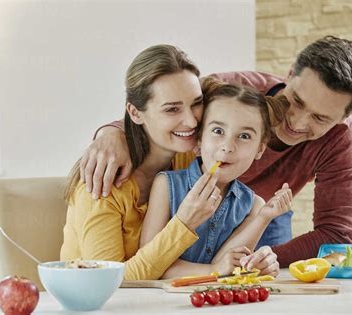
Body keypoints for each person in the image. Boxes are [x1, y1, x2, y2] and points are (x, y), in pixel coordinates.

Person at [79, 36, 352, 268]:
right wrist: (113, 131)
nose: (296, 122)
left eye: (320, 118)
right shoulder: (234, 90)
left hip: (260, 213)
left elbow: (337, 233)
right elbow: (170, 109)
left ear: (341, 119)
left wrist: (261, 258)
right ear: (289, 75)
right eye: (296, 100)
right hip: (197, 207)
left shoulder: (342, 138)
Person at [60, 44, 279, 280]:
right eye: (172, 109)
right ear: (135, 113)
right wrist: (185, 224)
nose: (191, 121)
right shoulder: (101, 185)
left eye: (196, 103)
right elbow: (109, 282)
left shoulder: (188, 156)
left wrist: (252, 260)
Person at [140, 77, 293, 278]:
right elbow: (150, 265)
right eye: (218, 131)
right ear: (200, 138)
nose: (228, 146)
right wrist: (214, 270)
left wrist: (264, 219)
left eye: (245, 136)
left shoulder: (253, 206)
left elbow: (227, 267)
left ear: (260, 149)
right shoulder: (166, 185)